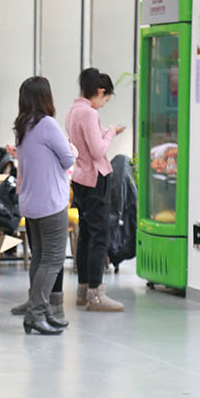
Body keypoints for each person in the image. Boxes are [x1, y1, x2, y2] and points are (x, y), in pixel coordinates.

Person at [14, 76, 76, 335]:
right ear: (45, 97)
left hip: (30, 203)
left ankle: (43, 310)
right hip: (51, 202)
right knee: (52, 260)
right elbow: (68, 159)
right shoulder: (47, 124)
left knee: (39, 258)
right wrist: (73, 150)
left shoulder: (21, 127)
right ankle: (36, 313)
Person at [65, 67, 125, 312]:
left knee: (86, 235)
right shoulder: (89, 113)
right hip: (94, 180)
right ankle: (96, 295)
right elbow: (98, 151)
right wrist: (111, 132)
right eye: (106, 98)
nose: (104, 103)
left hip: (79, 179)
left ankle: (83, 289)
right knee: (99, 236)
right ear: (100, 91)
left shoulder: (72, 111)